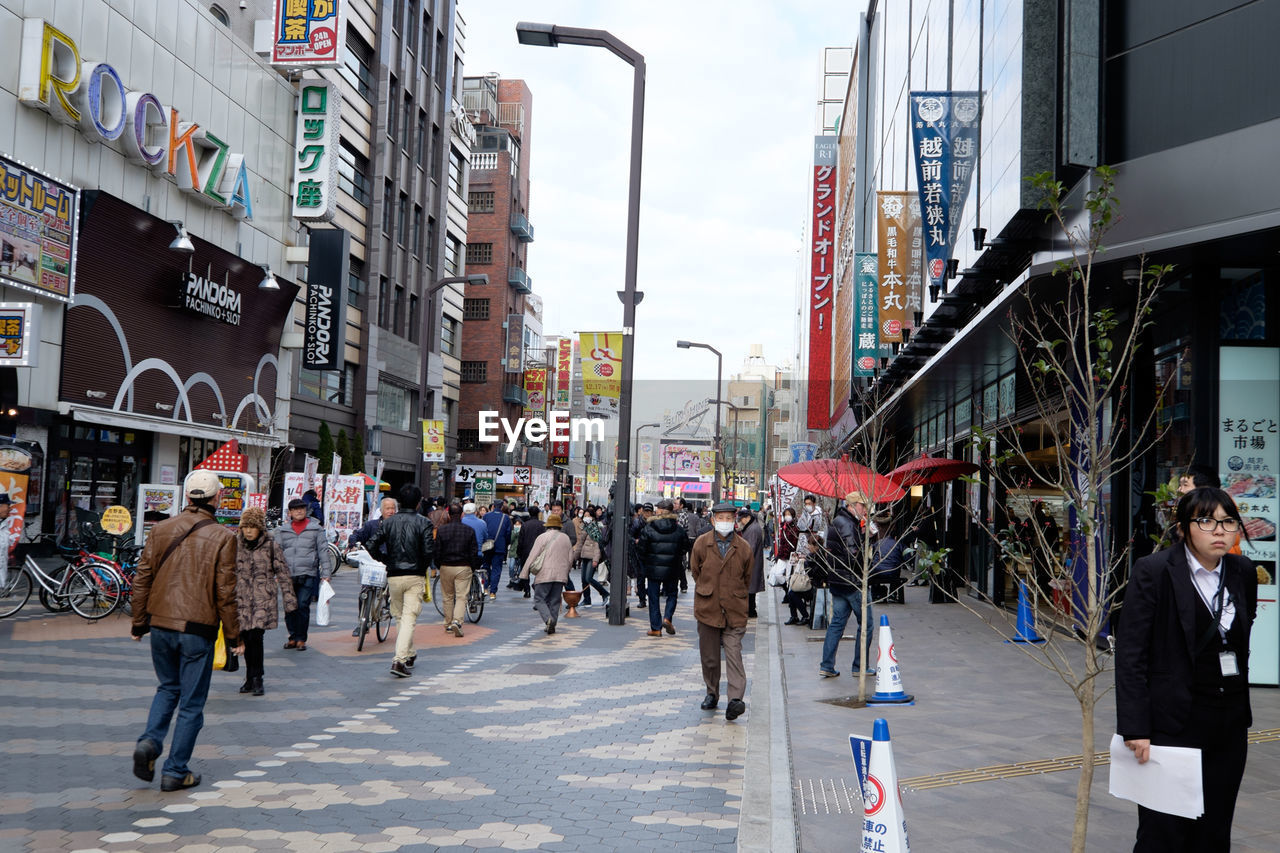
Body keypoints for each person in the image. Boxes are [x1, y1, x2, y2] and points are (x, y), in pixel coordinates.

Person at [1116, 487, 1258, 851]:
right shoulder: (1155, 571)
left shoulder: (1242, 571)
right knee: (1162, 831)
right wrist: (1136, 727)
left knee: (1214, 830)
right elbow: (1131, 654)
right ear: (1183, 527)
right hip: (1172, 724)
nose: (1220, 531)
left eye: (1228, 522)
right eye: (1207, 521)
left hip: (1227, 724)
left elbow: (1241, 636)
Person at [130, 470, 239, 792]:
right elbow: (226, 593)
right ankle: (175, 770)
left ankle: (149, 742)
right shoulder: (223, 537)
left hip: (160, 623)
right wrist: (234, 637)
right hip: (197, 628)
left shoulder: (161, 528)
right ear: (216, 498)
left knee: (167, 688)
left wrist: (139, 622)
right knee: (191, 704)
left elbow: (142, 578)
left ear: (188, 497)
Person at [690, 501, 753, 721]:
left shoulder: (743, 547)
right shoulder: (701, 543)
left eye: (729, 518)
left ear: (734, 520)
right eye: (721, 518)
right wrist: (709, 589)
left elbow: (747, 577)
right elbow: (695, 571)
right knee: (710, 657)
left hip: (735, 609)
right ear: (713, 520)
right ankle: (712, 692)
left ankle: (735, 700)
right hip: (708, 608)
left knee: (734, 654)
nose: (725, 522)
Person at [367, 484, 435, 676]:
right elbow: (429, 551)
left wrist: (385, 560)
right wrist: (422, 566)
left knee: (400, 616)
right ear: (419, 502)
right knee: (409, 617)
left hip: (394, 575)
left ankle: (409, 653)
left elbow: (371, 544)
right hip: (415, 575)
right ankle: (399, 660)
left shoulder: (388, 522)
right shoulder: (424, 523)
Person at [233, 506, 297, 696]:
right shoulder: (235, 544)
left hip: (263, 598)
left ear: (260, 528)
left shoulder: (270, 545)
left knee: (256, 638)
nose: (249, 531)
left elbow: (283, 572)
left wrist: (289, 600)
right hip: (242, 599)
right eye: (246, 527)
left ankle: (257, 677)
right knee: (245, 637)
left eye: (253, 526)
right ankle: (249, 676)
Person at [818, 491, 874, 678]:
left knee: (836, 624)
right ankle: (860, 666)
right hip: (852, 582)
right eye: (862, 505)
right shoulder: (849, 524)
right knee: (866, 624)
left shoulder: (838, 521)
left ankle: (827, 665)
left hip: (838, 580)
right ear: (851, 506)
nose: (865, 509)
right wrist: (868, 538)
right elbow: (854, 556)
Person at [276, 498, 328, 651]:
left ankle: (301, 639)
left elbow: (323, 552)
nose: (299, 511)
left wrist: (326, 573)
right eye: (295, 509)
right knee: (289, 607)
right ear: (290, 512)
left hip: (308, 572)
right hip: (287, 574)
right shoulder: (282, 530)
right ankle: (292, 636)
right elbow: (276, 552)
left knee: (303, 605)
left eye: (302, 508)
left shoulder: (315, 529)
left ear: (306, 511)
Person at [637, 498, 690, 636]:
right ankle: (667, 617)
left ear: (660, 510)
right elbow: (685, 547)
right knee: (672, 594)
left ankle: (656, 627)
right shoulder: (678, 529)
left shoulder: (649, 528)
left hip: (653, 568)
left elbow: (641, 548)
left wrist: (647, 561)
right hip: (673, 567)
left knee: (653, 596)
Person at [348, 496, 397, 636]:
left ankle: (387, 605)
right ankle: (361, 622)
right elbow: (357, 535)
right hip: (372, 564)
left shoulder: (399, 525)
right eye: (388, 508)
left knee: (390, 590)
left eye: (393, 508)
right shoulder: (372, 525)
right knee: (364, 593)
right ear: (381, 510)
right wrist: (353, 544)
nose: (391, 511)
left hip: (390, 563)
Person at [432, 500, 480, 638]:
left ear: (448, 514)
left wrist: (439, 564)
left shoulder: (442, 530)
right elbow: (473, 551)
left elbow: (437, 550)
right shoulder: (469, 531)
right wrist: (472, 566)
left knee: (447, 597)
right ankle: (457, 622)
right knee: (461, 596)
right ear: (462, 515)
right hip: (463, 566)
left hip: (446, 566)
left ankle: (447, 624)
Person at [519, 513, 574, 634]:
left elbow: (532, 556)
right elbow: (571, 558)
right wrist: (566, 570)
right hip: (560, 575)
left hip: (545, 574)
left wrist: (524, 573)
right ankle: (552, 623)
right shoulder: (566, 538)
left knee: (539, 599)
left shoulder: (542, 537)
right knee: (555, 600)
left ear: (548, 526)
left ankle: (548, 619)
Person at [775, 508, 808, 624]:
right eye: (786, 514)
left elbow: (797, 542)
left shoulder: (795, 528)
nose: (787, 516)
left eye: (789, 514)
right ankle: (795, 614)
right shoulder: (783, 526)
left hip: (793, 557)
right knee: (778, 575)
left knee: (791, 585)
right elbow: (782, 542)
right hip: (784, 555)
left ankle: (795, 615)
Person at [571, 506, 607, 607]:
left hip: (592, 556)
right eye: (585, 515)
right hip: (584, 556)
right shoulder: (584, 527)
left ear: (592, 517)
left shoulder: (595, 528)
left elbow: (597, 545)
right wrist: (574, 557)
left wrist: (596, 559)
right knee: (583, 579)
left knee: (589, 578)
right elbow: (580, 544)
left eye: (588, 515)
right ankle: (587, 600)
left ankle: (604, 594)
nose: (586, 517)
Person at [737, 507, 765, 618]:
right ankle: (750, 609)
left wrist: (743, 560)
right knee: (750, 588)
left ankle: (751, 610)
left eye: (742, 519)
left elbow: (751, 548)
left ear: (748, 518)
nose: (740, 521)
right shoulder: (752, 527)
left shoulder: (753, 529)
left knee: (750, 588)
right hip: (753, 562)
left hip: (751, 563)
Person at [483, 500, 513, 599]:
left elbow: (484, 530)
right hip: (500, 546)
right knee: (496, 569)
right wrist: (506, 544)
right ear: (501, 507)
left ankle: (485, 587)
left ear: (493, 506)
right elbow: (508, 534)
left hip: (487, 546)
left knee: (486, 566)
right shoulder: (506, 518)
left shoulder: (486, 516)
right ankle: (493, 592)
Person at [515, 506, 545, 599]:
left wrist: (519, 552)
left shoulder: (525, 525)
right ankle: (537, 587)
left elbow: (520, 540)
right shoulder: (543, 525)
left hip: (526, 551)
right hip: (540, 552)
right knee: (540, 571)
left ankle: (527, 590)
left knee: (525, 571)